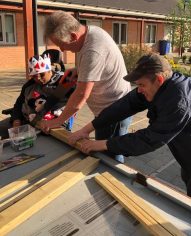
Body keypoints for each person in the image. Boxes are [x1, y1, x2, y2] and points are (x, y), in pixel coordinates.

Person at [68, 53, 191, 209]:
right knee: (189, 175)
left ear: (159, 79)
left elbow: (148, 140)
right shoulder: (160, 86)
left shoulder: (179, 101)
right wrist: (87, 129)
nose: (139, 89)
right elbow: (125, 104)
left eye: (141, 85)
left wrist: (102, 144)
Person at [40, 11, 131, 163]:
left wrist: (58, 121)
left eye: (62, 45)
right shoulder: (90, 33)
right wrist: (79, 71)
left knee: (110, 158)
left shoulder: (92, 50)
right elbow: (98, 65)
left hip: (115, 111)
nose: (62, 50)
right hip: (105, 110)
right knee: (103, 152)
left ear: (74, 36)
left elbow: (81, 95)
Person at [11, 53, 75, 130]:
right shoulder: (29, 86)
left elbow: (78, 100)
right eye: (34, 76)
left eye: (42, 75)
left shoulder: (64, 82)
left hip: (54, 126)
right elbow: (18, 104)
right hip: (28, 123)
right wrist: (16, 120)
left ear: (49, 70)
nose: (38, 79)